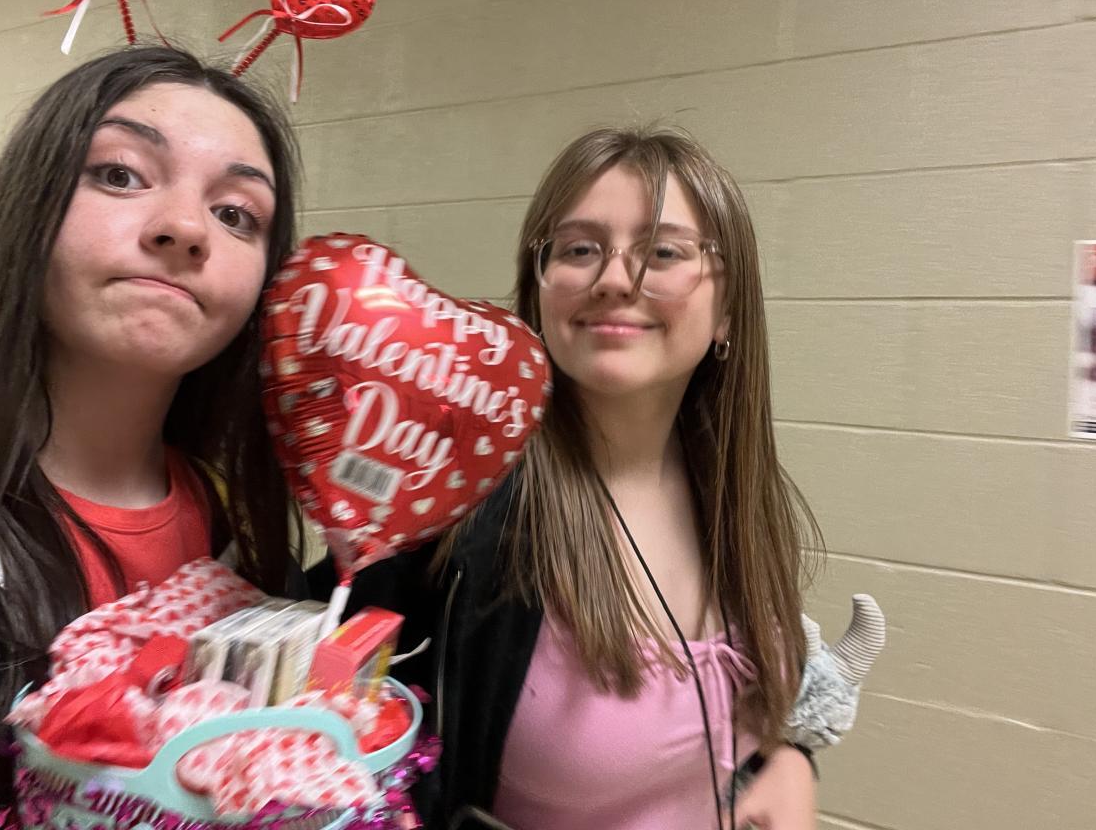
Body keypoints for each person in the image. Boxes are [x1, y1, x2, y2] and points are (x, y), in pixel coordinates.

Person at [0, 46, 301, 828]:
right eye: (121, 174)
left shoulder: (241, 528)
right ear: (31, 205)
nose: (185, 229)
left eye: (236, 214)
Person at [346, 125, 824, 830]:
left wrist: (789, 758)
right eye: (579, 249)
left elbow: (730, 714)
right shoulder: (464, 508)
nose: (614, 280)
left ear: (727, 308)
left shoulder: (731, 487)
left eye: (663, 252)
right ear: (538, 288)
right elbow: (317, 712)